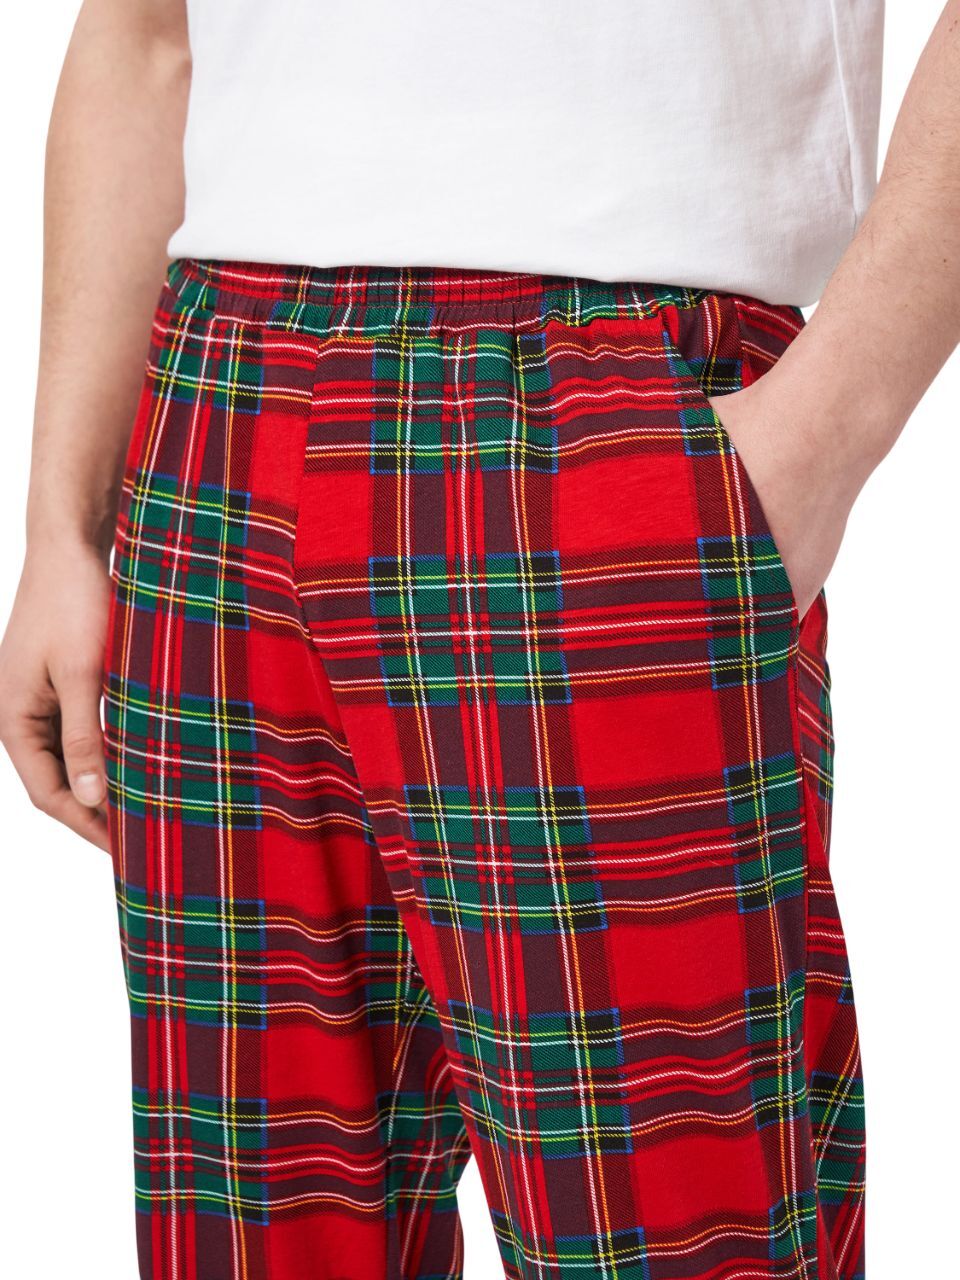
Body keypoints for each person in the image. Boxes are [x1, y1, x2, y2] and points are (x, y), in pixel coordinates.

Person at [1, 1, 957, 1277]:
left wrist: (825, 432)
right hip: (219, 406)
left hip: (602, 400)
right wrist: (60, 521)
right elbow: (145, 32)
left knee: (675, 1232)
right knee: (251, 1236)